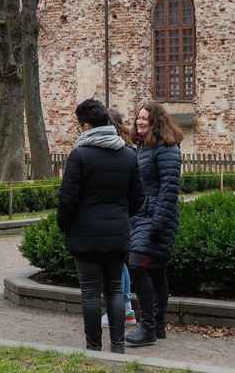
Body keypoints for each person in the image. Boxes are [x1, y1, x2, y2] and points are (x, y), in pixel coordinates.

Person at [58, 97, 144, 353]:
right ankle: (118, 346)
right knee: (116, 290)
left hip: (85, 234)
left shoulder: (79, 155)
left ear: (85, 125)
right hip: (117, 232)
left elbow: (67, 199)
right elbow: (138, 198)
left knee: (91, 292)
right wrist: (120, 216)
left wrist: (65, 225)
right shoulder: (128, 154)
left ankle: (93, 345)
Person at [125, 102, 183, 348]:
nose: (140, 122)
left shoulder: (166, 148)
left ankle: (147, 326)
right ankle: (157, 325)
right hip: (142, 217)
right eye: (138, 118)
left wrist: (158, 221)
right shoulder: (143, 148)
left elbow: (170, 188)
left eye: (145, 119)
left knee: (137, 265)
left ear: (156, 122)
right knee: (156, 270)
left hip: (156, 218)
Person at [104, 108, 137, 330]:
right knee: (120, 262)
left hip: (118, 213)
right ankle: (124, 308)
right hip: (124, 213)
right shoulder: (128, 148)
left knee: (117, 264)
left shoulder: (119, 150)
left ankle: (124, 308)